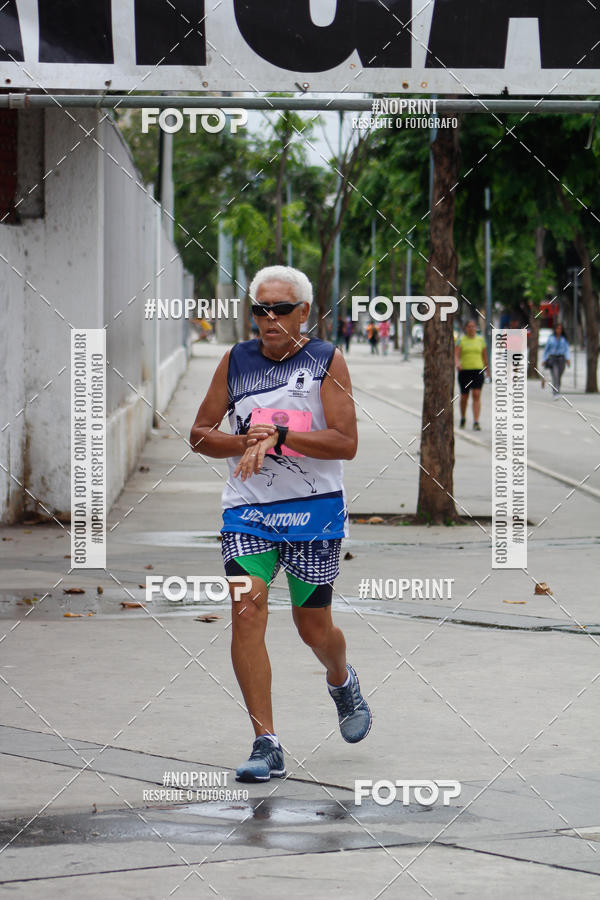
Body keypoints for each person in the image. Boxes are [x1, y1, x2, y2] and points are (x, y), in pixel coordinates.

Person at [190, 265, 372, 783]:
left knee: (312, 625)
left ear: (304, 313)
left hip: (315, 514)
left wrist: (281, 438)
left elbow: (346, 443)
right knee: (246, 610)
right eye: (259, 310)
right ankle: (265, 741)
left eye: (280, 310)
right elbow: (200, 434)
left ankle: (341, 678)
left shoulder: (326, 361)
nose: (268, 319)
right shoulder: (236, 361)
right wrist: (248, 441)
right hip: (248, 512)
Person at [455, 319, 489, 431]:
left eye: (473, 326)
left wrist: (487, 370)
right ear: (465, 328)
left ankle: (476, 421)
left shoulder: (480, 340)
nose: (471, 328)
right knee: (464, 396)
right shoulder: (461, 340)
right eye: (469, 326)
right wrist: (457, 364)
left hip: (478, 370)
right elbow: (456, 355)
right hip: (465, 371)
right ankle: (463, 417)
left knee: (476, 394)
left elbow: (484, 356)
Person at [543, 322, 570, 398]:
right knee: (555, 375)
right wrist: (544, 359)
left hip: (561, 359)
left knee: (559, 376)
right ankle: (555, 392)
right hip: (553, 359)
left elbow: (567, 349)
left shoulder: (564, 339)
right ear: (555, 330)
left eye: (560, 329)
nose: (558, 330)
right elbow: (546, 349)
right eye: (557, 328)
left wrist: (568, 359)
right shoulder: (551, 338)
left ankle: (557, 389)